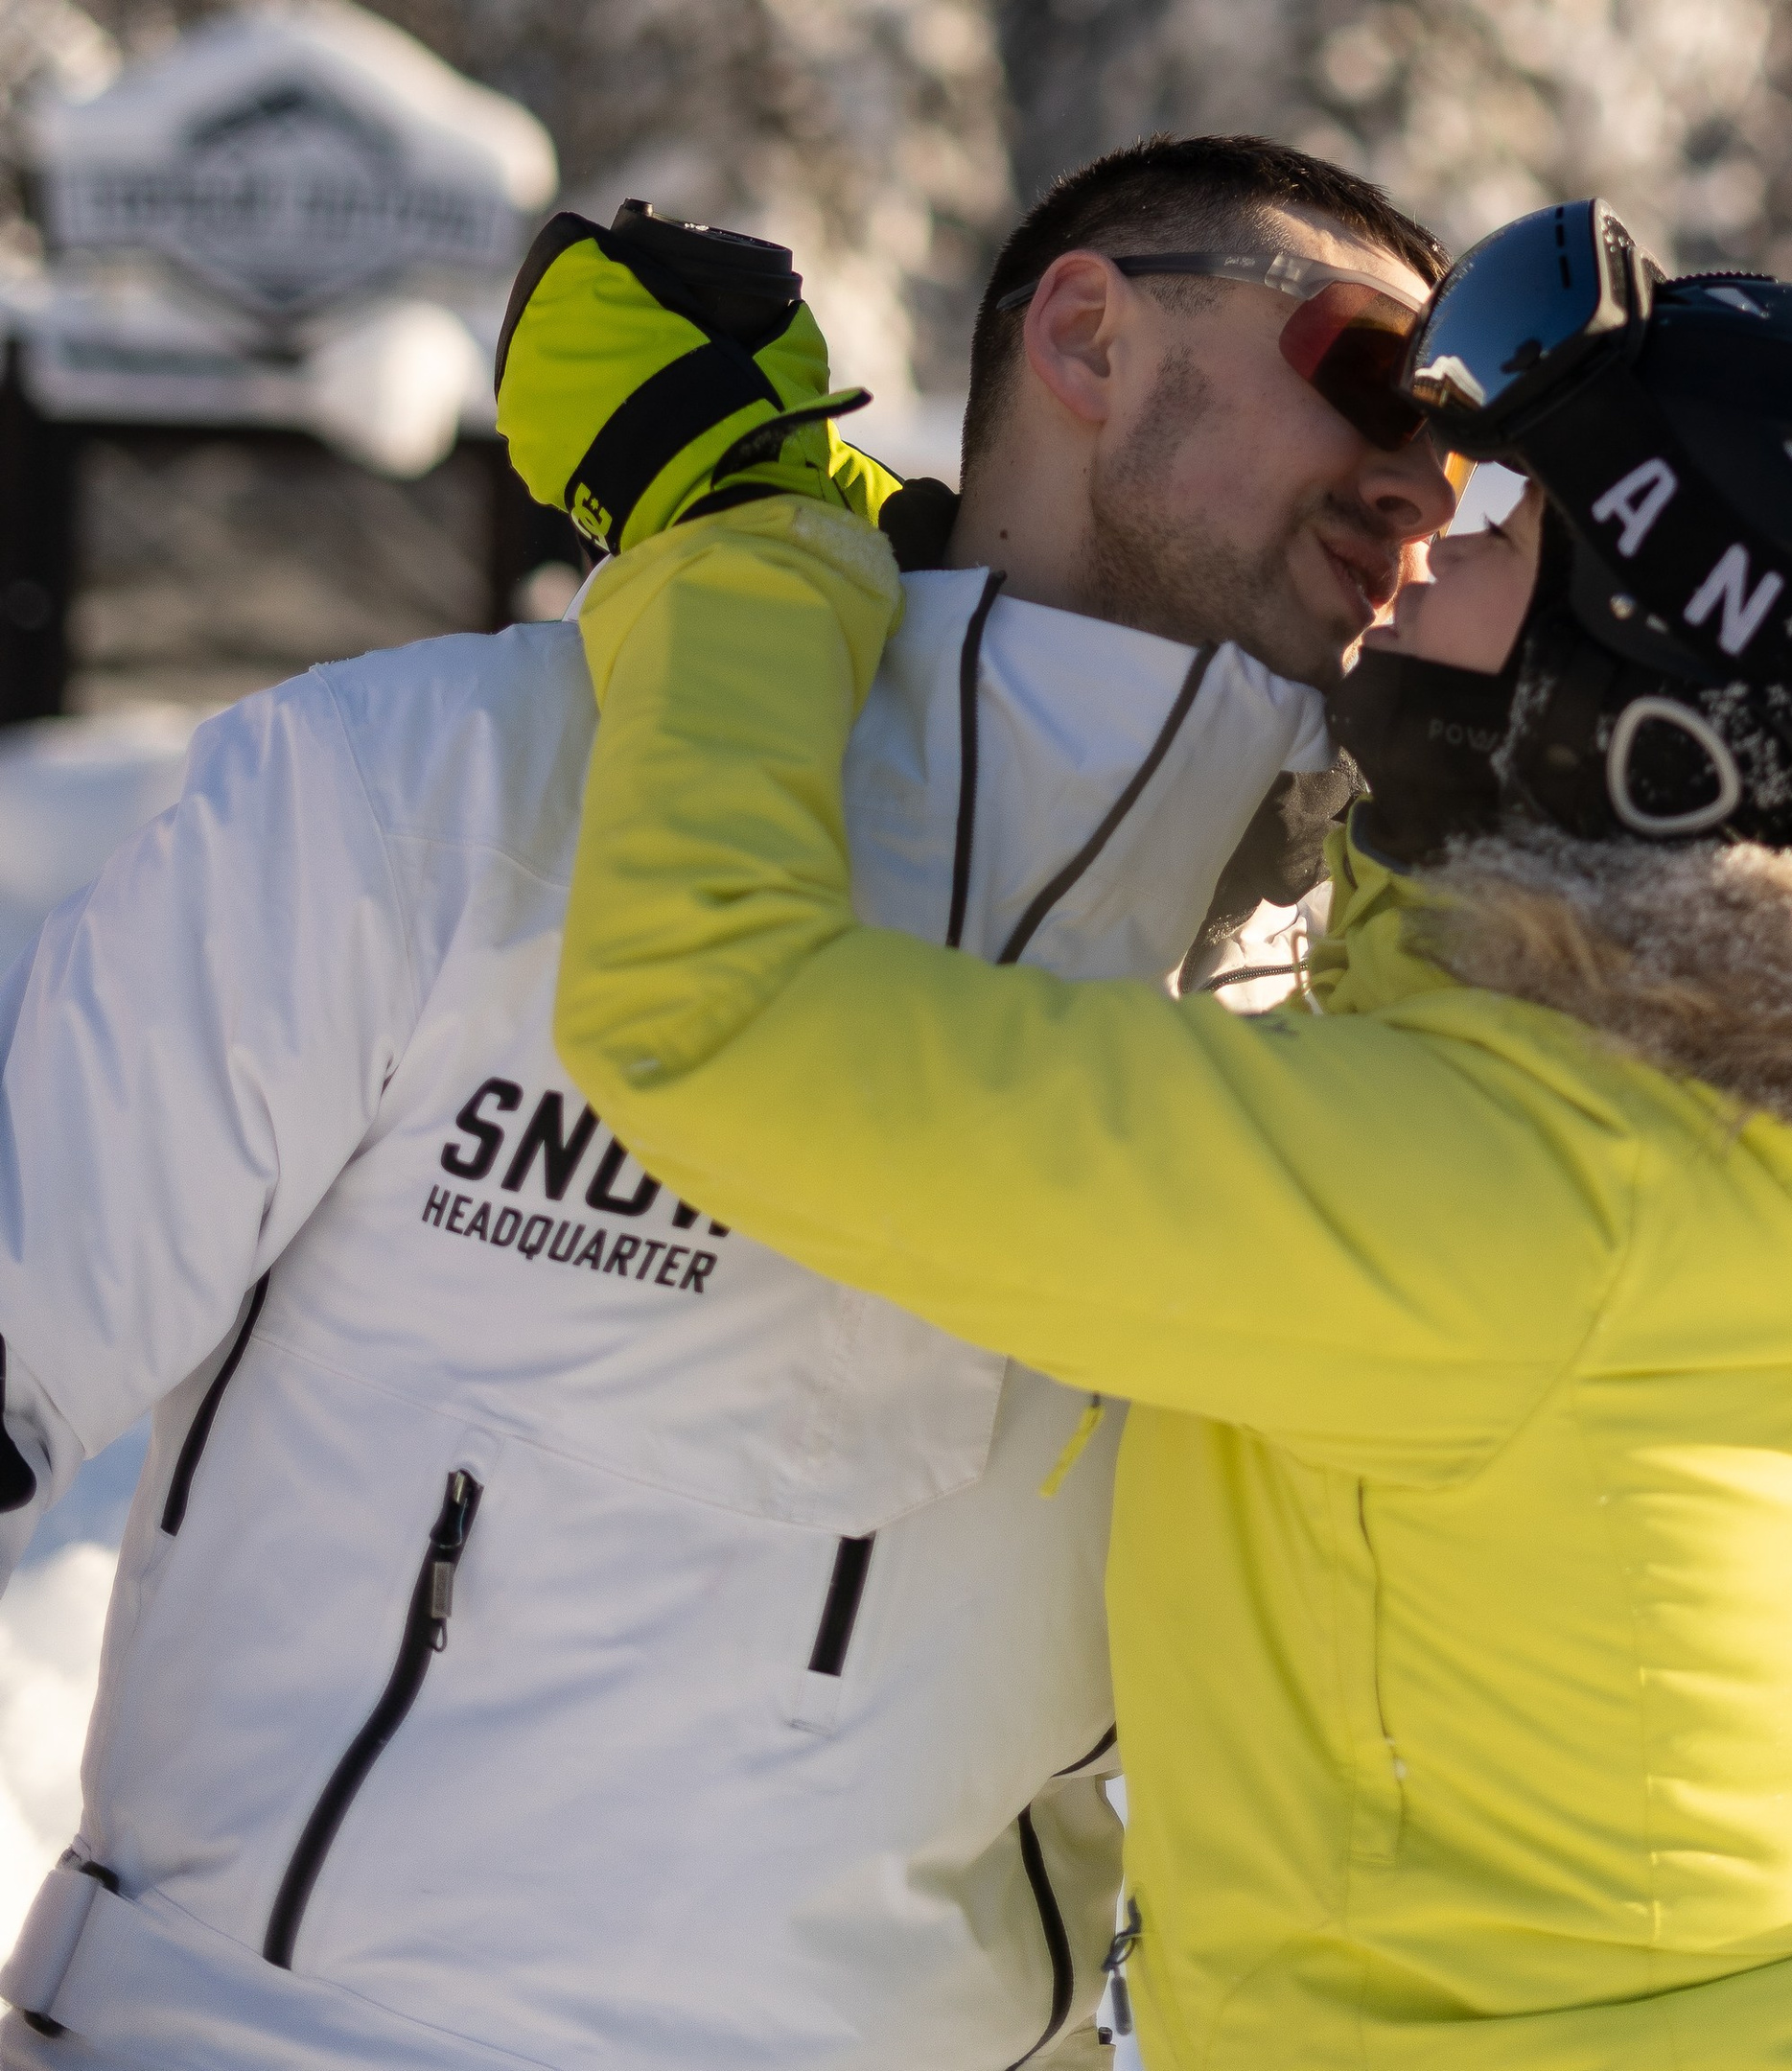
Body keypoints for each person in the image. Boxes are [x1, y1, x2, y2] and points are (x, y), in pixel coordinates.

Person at [549, 202, 1792, 2071]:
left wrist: (730, 523)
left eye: (1518, 535)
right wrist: (951, 565)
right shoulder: (1781, 1157)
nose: (1438, 535)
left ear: (1655, 721)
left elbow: (716, 1020)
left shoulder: (1520, 1203)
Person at [0, 134, 1455, 2071]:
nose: (1420, 479)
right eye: (1373, 375)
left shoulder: (1335, 1026)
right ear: (1089, 338)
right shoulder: (432, 790)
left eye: (1466, 443)